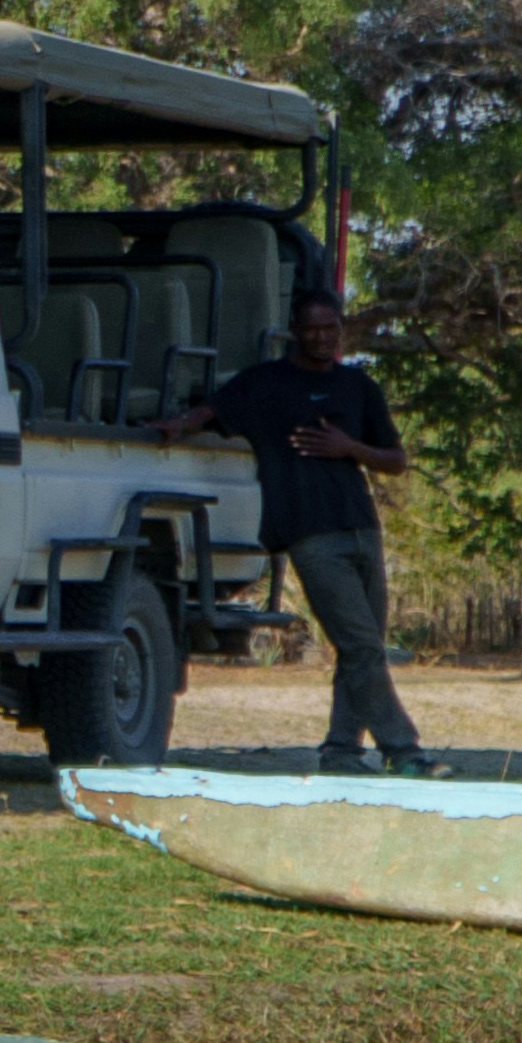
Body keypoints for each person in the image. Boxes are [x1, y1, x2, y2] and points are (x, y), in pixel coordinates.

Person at [170, 286, 429, 778]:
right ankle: (404, 749)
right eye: (311, 327)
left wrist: (348, 446)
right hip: (310, 533)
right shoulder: (266, 383)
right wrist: (175, 426)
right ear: (294, 330)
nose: (320, 336)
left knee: (363, 647)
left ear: (341, 329)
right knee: (361, 646)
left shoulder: (358, 387)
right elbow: (211, 411)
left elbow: (396, 460)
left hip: (361, 528)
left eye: (329, 327)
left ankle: (341, 752)